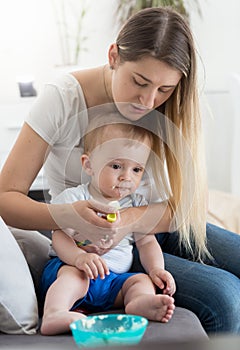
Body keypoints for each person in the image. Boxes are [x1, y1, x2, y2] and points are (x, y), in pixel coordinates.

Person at [0, 6, 239, 335]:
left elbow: (182, 207)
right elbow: (5, 197)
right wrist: (69, 216)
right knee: (226, 297)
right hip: (99, 246)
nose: (148, 100)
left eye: (164, 90)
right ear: (113, 55)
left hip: (149, 229)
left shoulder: (168, 105)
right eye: (139, 82)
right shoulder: (64, 99)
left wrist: (125, 220)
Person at [40, 120, 176, 335]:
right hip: (72, 269)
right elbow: (59, 236)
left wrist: (156, 269)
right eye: (116, 166)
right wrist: (78, 257)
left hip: (112, 283)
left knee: (139, 280)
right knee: (75, 277)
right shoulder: (75, 198)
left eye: (136, 169)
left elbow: (147, 241)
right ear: (88, 165)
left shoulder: (137, 204)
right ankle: (54, 313)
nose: (126, 177)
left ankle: (139, 303)